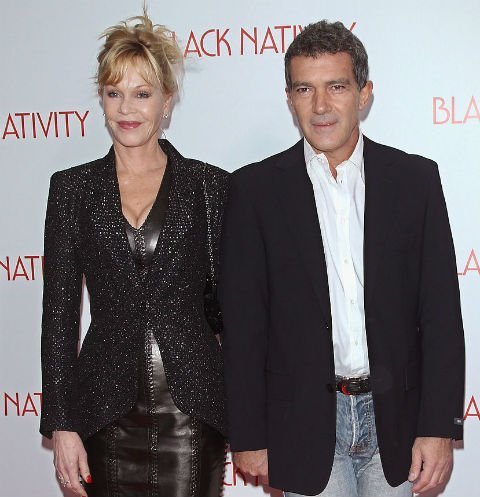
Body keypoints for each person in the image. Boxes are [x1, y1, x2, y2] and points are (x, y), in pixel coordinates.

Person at [220, 20, 464, 497]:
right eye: (304, 89)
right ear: (289, 98)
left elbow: (440, 314)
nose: (320, 106)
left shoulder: (415, 181)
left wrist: (438, 426)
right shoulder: (254, 191)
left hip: (396, 420)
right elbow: (244, 327)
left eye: (336, 86)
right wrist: (249, 435)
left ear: (363, 93)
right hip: (302, 423)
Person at [40, 11, 228, 497]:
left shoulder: (209, 186)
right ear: (101, 99)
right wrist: (61, 424)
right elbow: (59, 316)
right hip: (103, 410)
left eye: (142, 94)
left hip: (193, 411)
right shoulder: (72, 191)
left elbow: (229, 311)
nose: (127, 108)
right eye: (114, 92)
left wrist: (254, 417)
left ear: (167, 99)